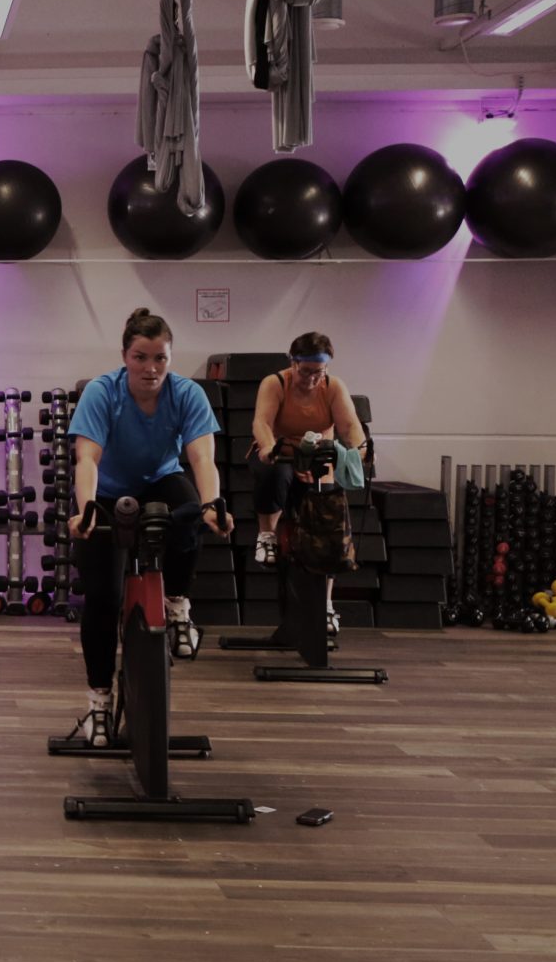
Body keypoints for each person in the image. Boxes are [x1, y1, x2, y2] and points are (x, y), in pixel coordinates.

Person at [65, 308, 231, 731]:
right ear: (125, 356)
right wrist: (86, 509)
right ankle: (99, 701)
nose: (151, 368)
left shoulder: (187, 394)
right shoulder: (102, 392)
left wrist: (212, 505)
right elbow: (87, 459)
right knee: (103, 598)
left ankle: (177, 603)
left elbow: (202, 458)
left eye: (160, 358)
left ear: (170, 358)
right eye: (140, 357)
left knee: (190, 508)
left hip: (160, 481)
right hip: (106, 493)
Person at [248, 332, 368, 581]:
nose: (311, 379)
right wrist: (269, 447)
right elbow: (262, 422)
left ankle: (326, 599)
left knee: (328, 526)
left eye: (318, 372)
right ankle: (267, 536)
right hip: (281, 454)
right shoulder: (275, 383)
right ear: (293, 363)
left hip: (317, 458)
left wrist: (361, 450)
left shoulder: (333, 387)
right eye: (305, 372)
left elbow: (350, 427)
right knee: (275, 473)